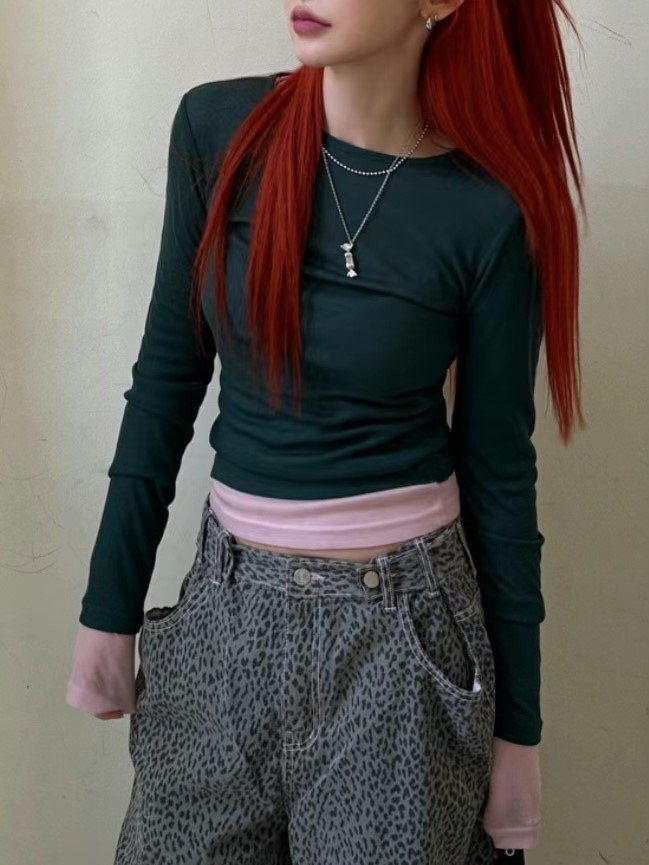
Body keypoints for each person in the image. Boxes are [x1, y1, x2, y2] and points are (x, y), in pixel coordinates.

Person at [66, 1, 586, 862]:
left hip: (399, 650)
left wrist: (517, 730)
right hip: (223, 618)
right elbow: (166, 380)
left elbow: (498, 471)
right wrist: (107, 608)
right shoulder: (217, 131)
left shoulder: (488, 210)